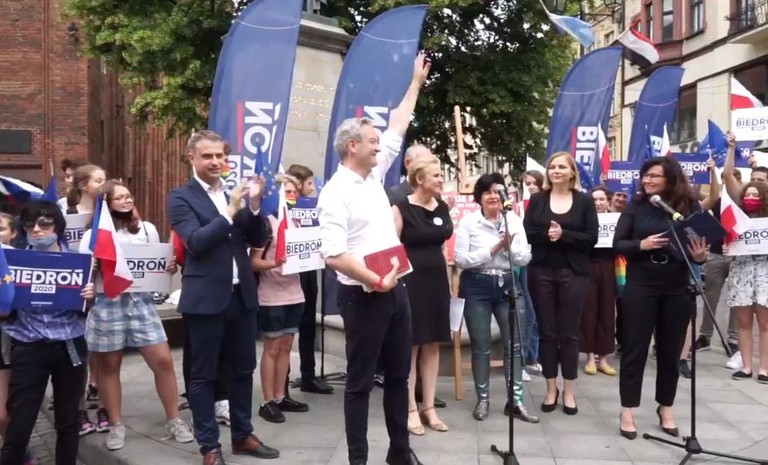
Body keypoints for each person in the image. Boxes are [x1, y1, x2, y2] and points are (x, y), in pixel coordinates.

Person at [317, 53, 429, 465]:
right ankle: (358, 459)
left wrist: (415, 83)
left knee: (399, 377)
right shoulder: (335, 192)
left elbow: (398, 124)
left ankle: (399, 453)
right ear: (353, 146)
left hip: (395, 290)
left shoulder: (374, 174)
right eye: (372, 140)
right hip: (363, 296)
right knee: (360, 383)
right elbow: (334, 255)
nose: (380, 145)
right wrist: (374, 280)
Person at [169, 130, 278, 465]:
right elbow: (196, 243)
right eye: (207, 156)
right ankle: (209, 447)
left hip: (241, 297)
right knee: (203, 375)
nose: (215, 162)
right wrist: (230, 211)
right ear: (191, 158)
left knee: (243, 369)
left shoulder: (232, 194)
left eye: (220, 155)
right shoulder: (181, 197)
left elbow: (258, 237)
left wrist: (254, 206)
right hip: (205, 300)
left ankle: (243, 435)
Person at [79, 180, 194, 451]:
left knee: (163, 361)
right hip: (107, 304)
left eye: (129, 196)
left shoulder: (146, 229)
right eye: (120, 197)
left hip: (141, 303)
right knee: (109, 367)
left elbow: (157, 266)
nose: (127, 200)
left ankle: (174, 419)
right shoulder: (92, 236)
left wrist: (166, 268)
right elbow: (83, 276)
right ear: (106, 203)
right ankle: (116, 424)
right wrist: (92, 272)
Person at [613, 156, 707, 440]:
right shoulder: (637, 205)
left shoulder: (688, 206)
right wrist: (641, 245)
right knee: (635, 348)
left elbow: (700, 245)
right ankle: (627, 409)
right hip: (641, 283)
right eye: (645, 175)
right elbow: (618, 243)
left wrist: (699, 257)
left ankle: (665, 406)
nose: (647, 180)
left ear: (671, 179)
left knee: (670, 350)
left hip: (676, 285)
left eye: (654, 175)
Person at [0, 200, 96, 465]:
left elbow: (86, 307)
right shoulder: (11, 262)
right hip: (28, 346)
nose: (37, 230)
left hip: (69, 346)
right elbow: (4, 309)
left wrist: (90, 296)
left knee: (68, 422)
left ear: (58, 226)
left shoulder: (78, 262)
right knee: (19, 426)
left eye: (45, 224)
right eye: (30, 225)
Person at [455, 172, 538, 424]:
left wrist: (508, 246)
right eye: (488, 192)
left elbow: (525, 258)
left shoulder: (513, 220)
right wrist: (492, 249)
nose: (494, 196)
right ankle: (483, 399)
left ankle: (516, 401)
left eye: (498, 191)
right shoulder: (469, 222)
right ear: (479, 197)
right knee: (481, 346)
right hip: (476, 285)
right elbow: (460, 260)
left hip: (508, 283)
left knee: (514, 345)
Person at [523, 152, 598, 416]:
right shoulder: (537, 200)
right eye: (552, 167)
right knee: (548, 332)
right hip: (542, 271)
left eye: (562, 167)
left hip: (574, 273)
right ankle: (550, 388)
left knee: (569, 333)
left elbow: (591, 238)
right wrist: (548, 234)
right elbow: (528, 233)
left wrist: (563, 234)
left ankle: (569, 390)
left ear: (572, 172)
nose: (556, 171)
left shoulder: (584, 201)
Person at [391, 155, 452, 435]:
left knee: (433, 343)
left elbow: (442, 245)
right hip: (411, 281)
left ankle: (429, 406)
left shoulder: (442, 206)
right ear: (419, 178)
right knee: (412, 344)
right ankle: (410, 408)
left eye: (441, 174)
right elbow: (392, 247)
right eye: (436, 175)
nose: (441, 179)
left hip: (436, 280)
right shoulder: (401, 207)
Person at [251, 174, 311, 423]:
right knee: (272, 347)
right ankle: (267, 401)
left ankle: (280, 395)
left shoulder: (296, 220)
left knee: (286, 345)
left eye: (294, 191)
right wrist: (276, 263)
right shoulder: (266, 224)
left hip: (295, 293)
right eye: (286, 191)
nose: (291, 195)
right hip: (271, 295)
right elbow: (253, 262)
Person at [284, 164, 332, 395]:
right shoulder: (284, 207)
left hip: (310, 269)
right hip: (291, 273)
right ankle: (281, 382)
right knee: (286, 331)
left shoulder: (314, 208)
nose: (313, 188)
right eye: (310, 183)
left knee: (308, 324)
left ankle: (308, 375)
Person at [580, 186, 617, 376]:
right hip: (588, 266)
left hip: (609, 266)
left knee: (607, 312)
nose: (598, 203)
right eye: (594, 199)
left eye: (602, 199)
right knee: (589, 312)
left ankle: (603, 359)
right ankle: (589, 357)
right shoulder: (584, 220)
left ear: (608, 202)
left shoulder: (615, 219)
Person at [520, 170, 543, 376]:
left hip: (543, 262)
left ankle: (533, 357)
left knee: (537, 312)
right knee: (529, 312)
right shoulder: (519, 205)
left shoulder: (544, 203)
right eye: (528, 183)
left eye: (535, 183)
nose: (531, 186)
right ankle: (525, 359)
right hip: (525, 262)